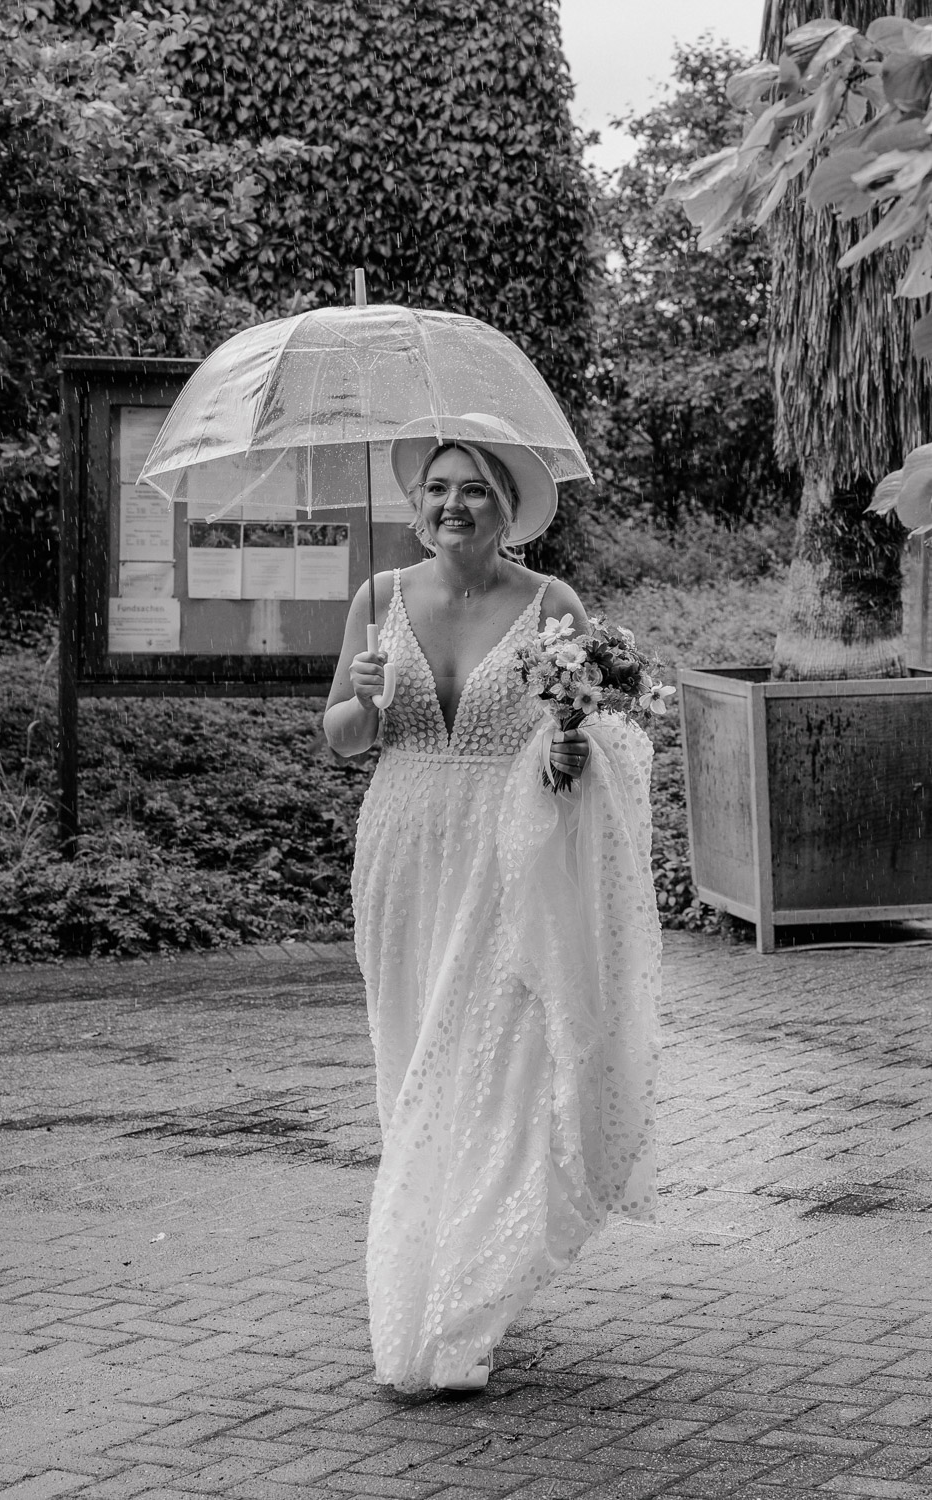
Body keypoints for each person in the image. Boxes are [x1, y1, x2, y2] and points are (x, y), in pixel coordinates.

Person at [324, 417, 660, 1394]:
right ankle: (424, 1269)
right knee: (413, 1066)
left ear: (505, 508)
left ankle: (459, 1311)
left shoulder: (551, 603)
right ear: (416, 504)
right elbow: (341, 738)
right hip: (402, 852)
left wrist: (567, 755)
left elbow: (577, 743)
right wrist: (364, 698)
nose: (452, 504)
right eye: (437, 487)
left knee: (495, 1064)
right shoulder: (378, 598)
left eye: (472, 488)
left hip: (507, 854)